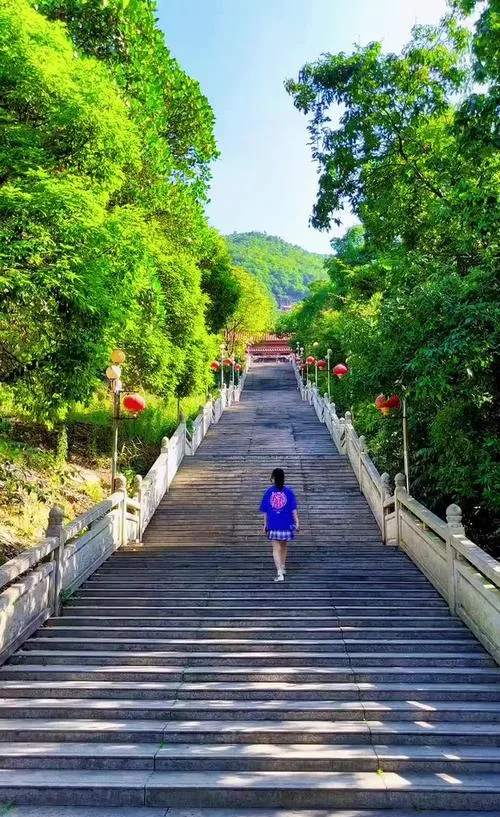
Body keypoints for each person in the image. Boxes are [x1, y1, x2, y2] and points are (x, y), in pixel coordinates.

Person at [259, 468, 299, 582]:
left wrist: (265, 524)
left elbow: (265, 510)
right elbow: (293, 509)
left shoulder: (268, 492)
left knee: (276, 548)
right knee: (284, 546)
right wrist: (297, 522)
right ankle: (283, 566)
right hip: (286, 524)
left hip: (273, 524)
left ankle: (279, 573)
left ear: (273, 478)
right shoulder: (289, 491)